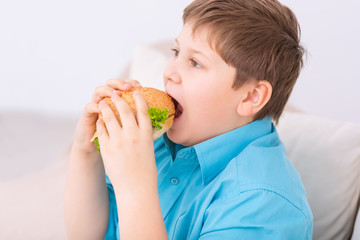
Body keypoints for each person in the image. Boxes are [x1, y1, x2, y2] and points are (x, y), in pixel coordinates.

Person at [64, 0, 313, 239]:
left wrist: (135, 189)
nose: (169, 72)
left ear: (251, 96)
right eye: (176, 52)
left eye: (195, 62)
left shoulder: (262, 204)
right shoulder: (155, 140)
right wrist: (85, 151)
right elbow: (88, 235)